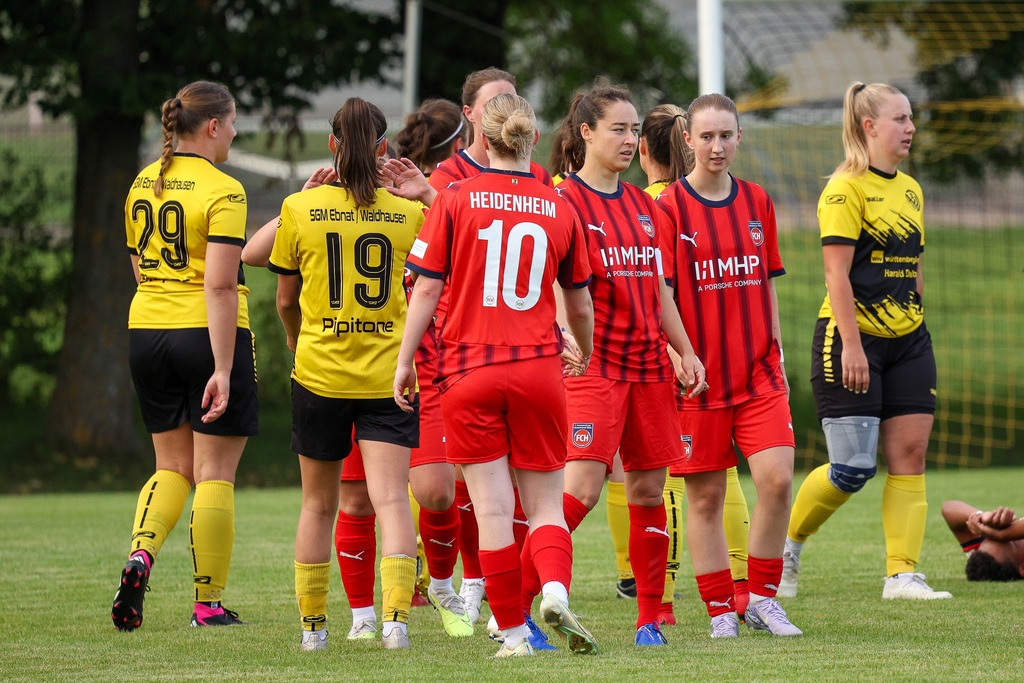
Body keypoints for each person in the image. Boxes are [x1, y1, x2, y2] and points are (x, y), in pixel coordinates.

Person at [395, 93, 597, 658]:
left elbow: (428, 288)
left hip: (468, 370)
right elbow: (578, 303)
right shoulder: (559, 205)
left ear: (481, 138)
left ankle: (512, 634)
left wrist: (405, 359)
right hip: (537, 368)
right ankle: (554, 588)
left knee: (489, 510)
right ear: (532, 139)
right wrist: (582, 349)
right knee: (547, 506)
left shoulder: (455, 197)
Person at [520, 80, 706, 647]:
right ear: (585, 133)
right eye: (618, 129)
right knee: (578, 492)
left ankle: (650, 619)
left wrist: (684, 349)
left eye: (633, 131)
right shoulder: (561, 200)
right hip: (592, 367)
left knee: (649, 492)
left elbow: (661, 290)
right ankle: (518, 607)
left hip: (649, 367)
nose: (630, 140)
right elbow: (547, 278)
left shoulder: (645, 208)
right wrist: (558, 333)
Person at [780, 82, 952, 602]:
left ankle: (902, 575)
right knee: (852, 468)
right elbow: (837, 276)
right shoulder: (844, 189)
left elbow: (913, 265)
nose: (911, 128)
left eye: (911, 118)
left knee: (911, 454)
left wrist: (916, 313)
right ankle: (786, 550)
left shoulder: (911, 189)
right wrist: (852, 346)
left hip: (909, 342)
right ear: (868, 127)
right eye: (900, 119)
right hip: (851, 340)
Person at [268, 97, 424, 651]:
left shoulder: (299, 209)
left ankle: (314, 631)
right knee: (389, 501)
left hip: (319, 372)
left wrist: (294, 340)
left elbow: (285, 297)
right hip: (390, 376)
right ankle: (395, 625)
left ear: (332, 146)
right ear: (384, 148)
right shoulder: (410, 213)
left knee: (317, 505)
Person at [656, 93, 802, 639]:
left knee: (777, 479)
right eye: (707, 136)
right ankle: (721, 610)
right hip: (698, 380)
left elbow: (765, 283)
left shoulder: (758, 201)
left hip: (759, 371)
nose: (717, 146)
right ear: (687, 140)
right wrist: (677, 357)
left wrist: (779, 351)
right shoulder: (668, 208)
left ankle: (762, 599)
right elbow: (659, 293)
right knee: (708, 497)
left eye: (727, 135)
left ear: (740, 138)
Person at [112, 80, 255, 631]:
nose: (236, 133)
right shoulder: (225, 189)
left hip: (146, 330)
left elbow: (137, 268)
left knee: (170, 466)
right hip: (205, 332)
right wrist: (222, 366)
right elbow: (220, 286)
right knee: (214, 472)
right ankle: (207, 604)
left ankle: (141, 555)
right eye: (234, 122)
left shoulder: (142, 181)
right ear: (213, 126)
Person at [639, 103, 752, 626]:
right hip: (705, 363)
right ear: (686, 142)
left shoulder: (649, 207)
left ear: (643, 150)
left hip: (673, 364)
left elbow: (648, 295)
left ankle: (657, 601)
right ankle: (740, 587)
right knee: (717, 482)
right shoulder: (673, 204)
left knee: (667, 485)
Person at [941, 501, 1024, 581]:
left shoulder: (986, 554)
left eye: (989, 536)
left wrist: (980, 517)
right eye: (1012, 540)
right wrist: (1002, 534)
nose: (1014, 535)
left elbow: (948, 508)